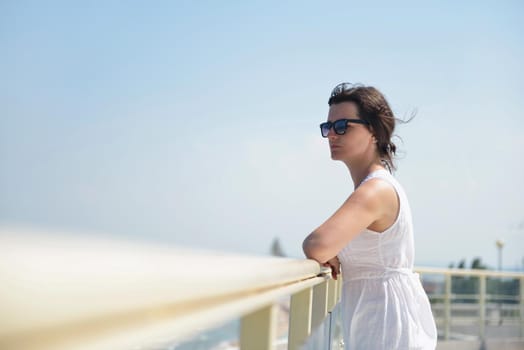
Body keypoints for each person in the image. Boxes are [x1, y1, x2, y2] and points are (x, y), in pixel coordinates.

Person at [302, 83, 437, 349]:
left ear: (373, 130)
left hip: (385, 326)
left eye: (342, 126)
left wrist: (331, 249)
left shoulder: (375, 190)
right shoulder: (376, 186)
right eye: (328, 127)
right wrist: (336, 252)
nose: (332, 135)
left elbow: (316, 245)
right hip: (378, 319)